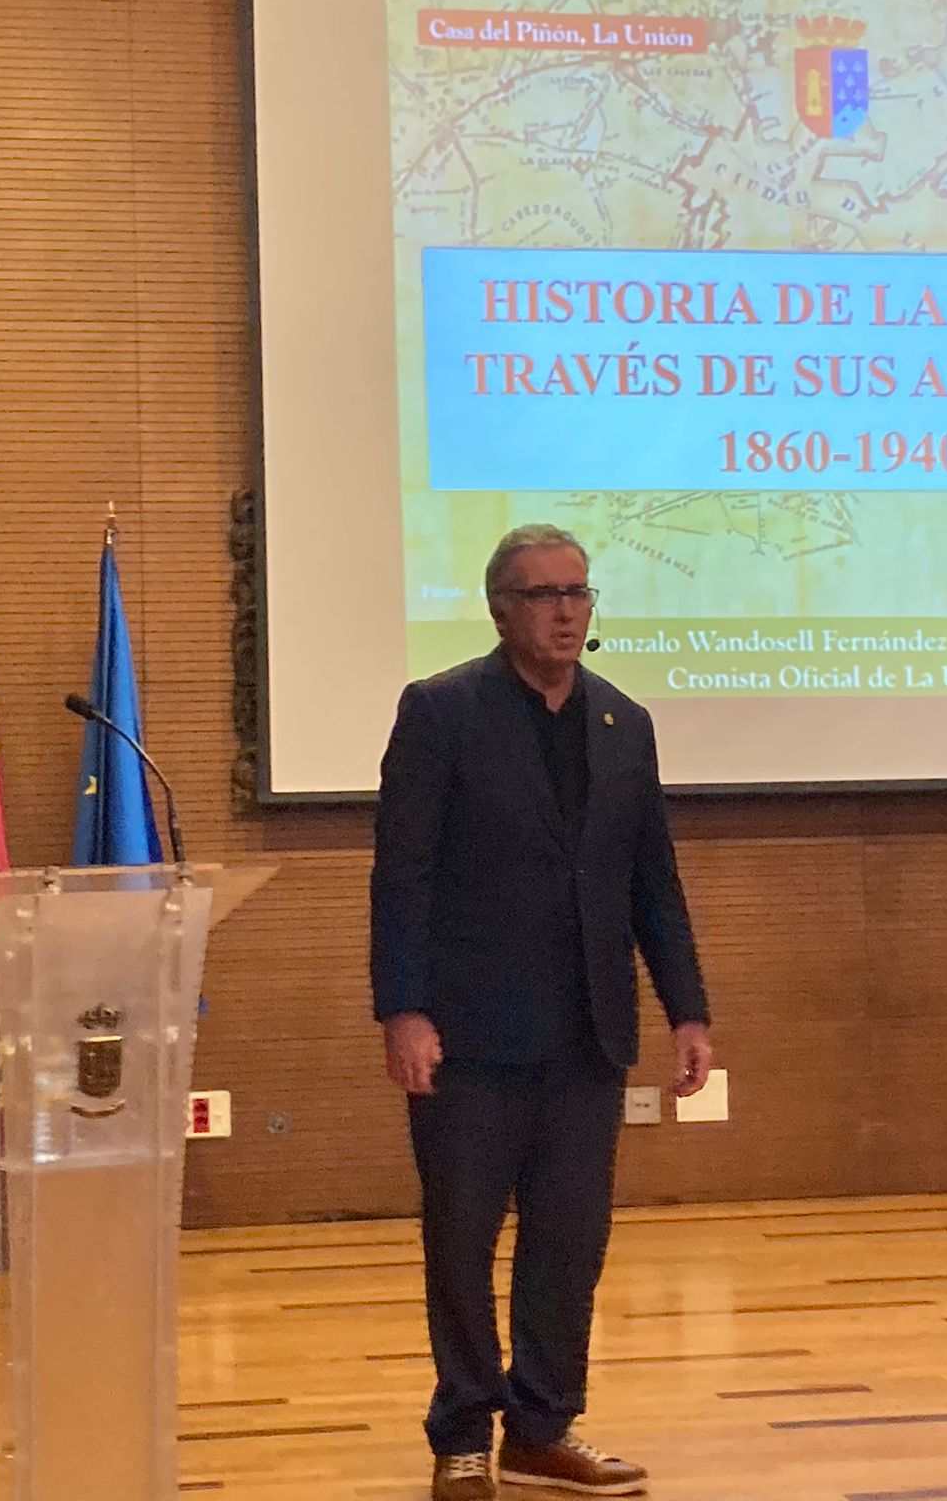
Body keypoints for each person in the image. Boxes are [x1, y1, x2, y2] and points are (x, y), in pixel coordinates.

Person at [372, 524, 715, 1501]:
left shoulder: (623, 722)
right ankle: (461, 1434)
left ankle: (541, 1429)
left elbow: (651, 881)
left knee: (569, 1242)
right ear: (500, 610)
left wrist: (687, 1009)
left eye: (578, 593)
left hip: (587, 1032)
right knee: (461, 1239)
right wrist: (403, 1010)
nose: (566, 612)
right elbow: (402, 875)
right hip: (468, 1031)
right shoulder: (441, 711)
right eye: (544, 595)